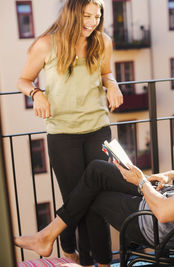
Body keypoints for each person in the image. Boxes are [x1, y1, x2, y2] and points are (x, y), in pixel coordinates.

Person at [15, 80, 174, 259]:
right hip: (172, 196)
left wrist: (140, 182)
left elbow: (166, 213)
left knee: (90, 196)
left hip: (157, 223)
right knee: (97, 170)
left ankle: (66, 247)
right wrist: (172, 175)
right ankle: (48, 236)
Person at [16, 0, 123, 266]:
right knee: (78, 199)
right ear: (72, 13)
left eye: (96, 16)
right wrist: (36, 93)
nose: (91, 22)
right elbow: (23, 80)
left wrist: (112, 83)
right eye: (86, 15)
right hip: (62, 133)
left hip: (98, 127)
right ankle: (76, 254)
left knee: (95, 199)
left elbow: (106, 73)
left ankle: (98, 260)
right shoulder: (46, 44)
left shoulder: (103, 42)